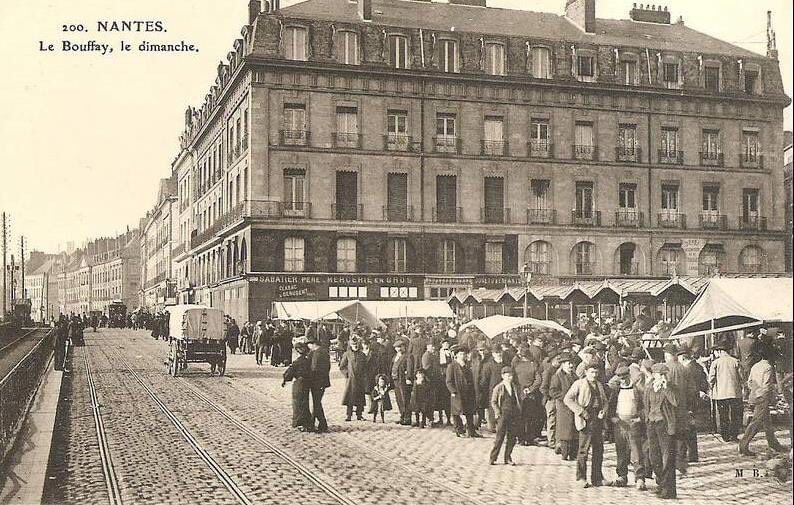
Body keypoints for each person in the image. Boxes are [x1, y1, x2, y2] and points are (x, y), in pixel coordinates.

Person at [563, 363, 610, 488]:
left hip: (597, 419)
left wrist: (603, 411)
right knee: (583, 450)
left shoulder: (599, 385)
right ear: (586, 372)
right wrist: (580, 411)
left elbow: (605, 402)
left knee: (598, 450)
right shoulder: (579, 384)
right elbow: (567, 399)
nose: (594, 375)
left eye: (596, 372)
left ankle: (597, 478)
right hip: (585, 419)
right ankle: (581, 477)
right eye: (591, 372)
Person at [739, 349, 786, 456]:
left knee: (767, 423)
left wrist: (754, 391)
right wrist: (772, 398)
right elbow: (767, 385)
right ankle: (743, 446)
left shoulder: (755, 366)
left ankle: (774, 444)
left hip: (755, 395)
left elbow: (749, 382)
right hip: (762, 398)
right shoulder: (768, 367)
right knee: (756, 423)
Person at [608, 365, 647, 490]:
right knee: (621, 450)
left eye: (625, 378)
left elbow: (643, 407)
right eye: (620, 379)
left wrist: (639, 418)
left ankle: (640, 477)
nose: (623, 381)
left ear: (629, 376)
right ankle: (622, 476)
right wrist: (613, 418)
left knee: (636, 451)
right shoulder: (616, 391)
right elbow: (611, 408)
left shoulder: (637, 390)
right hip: (620, 424)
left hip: (633, 423)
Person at [645, 363, 679, 499]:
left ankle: (669, 490)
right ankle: (660, 483)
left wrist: (666, 388)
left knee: (668, 458)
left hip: (665, 425)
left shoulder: (671, 387)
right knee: (654, 457)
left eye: (666, 374)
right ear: (654, 375)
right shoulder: (649, 388)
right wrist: (648, 419)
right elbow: (646, 405)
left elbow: (676, 402)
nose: (664, 377)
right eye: (661, 374)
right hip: (652, 425)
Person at [709, 342, 744, 442]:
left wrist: (711, 388)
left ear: (719, 351)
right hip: (735, 392)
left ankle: (725, 436)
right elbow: (741, 377)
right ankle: (734, 435)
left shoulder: (715, 363)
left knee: (723, 416)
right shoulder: (735, 361)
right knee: (735, 415)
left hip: (721, 393)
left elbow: (711, 378)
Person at [489, 366, 522, 465]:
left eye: (511, 375)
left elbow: (517, 400)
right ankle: (493, 457)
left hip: (513, 414)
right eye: (508, 375)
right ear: (503, 376)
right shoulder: (499, 387)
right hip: (503, 415)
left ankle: (508, 457)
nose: (510, 377)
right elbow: (493, 402)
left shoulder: (515, 387)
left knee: (512, 437)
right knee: (500, 437)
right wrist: (498, 412)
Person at [446, 345, 481, 438]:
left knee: (469, 412)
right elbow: (449, 381)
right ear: (456, 355)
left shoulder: (466, 366)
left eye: (464, 354)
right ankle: (459, 430)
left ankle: (471, 430)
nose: (463, 356)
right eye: (461, 354)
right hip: (457, 392)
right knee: (457, 412)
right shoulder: (452, 366)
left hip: (468, 392)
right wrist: (453, 391)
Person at [513, 344, 543, 445]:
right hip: (531, 394)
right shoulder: (533, 365)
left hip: (519, 393)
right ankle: (529, 438)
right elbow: (538, 380)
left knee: (520, 416)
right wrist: (530, 389)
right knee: (530, 417)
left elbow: (513, 379)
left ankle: (520, 438)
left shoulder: (516, 365)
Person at [550, 352, 578, 460]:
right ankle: (564, 452)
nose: (571, 365)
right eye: (568, 363)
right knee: (565, 431)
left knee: (574, 430)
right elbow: (553, 391)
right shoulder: (557, 376)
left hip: (574, 406)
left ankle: (573, 453)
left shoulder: (574, 376)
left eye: (572, 363)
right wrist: (566, 397)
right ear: (562, 364)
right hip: (563, 407)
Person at [282, 342, 313, 432]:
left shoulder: (297, 362)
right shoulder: (308, 361)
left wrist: (285, 380)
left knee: (297, 403)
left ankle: (300, 423)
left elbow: (288, 373)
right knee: (305, 403)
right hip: (306, 384)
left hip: (298, 384)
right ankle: (307, 423)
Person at [339, 337, 367, 421]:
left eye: (357, 344)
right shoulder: (347, 354)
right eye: (354, 344)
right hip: (350, 380)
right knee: (349, 397)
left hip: (360, 380)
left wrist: (364, 376)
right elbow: (342, 367)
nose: (355, 346)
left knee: (360, 397)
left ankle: (359, 414)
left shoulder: (362, 355)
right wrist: (347, 374)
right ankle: (349, 415)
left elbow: (365, 367)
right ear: (350, 345)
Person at [308, 335, 330, 433]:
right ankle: (322, 424)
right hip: (321, 381)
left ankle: (314, 424)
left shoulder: (318, 353)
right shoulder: (322, 352)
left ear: (313, 344)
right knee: (317, 403)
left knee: (316, 403)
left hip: (317, 382)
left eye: (309, 344)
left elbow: (315, 368)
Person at [391, 340, 412, 426]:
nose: (398, 349)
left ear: (404, 347)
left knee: (405, 398)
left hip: (403, 380)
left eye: (400, 347)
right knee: (399, 399)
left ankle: (407, 418)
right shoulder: (395, 356)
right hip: (396, 379)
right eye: (397, 347)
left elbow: (409, 368)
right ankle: (402, 416)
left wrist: (408, 378)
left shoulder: (408, 356)